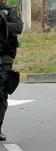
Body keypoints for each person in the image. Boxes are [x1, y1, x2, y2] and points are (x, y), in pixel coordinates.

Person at [0, 0, 23, 141]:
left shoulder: (10, 11)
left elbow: (18, 28)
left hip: (4, 58)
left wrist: (3, 25)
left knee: (1, 93)